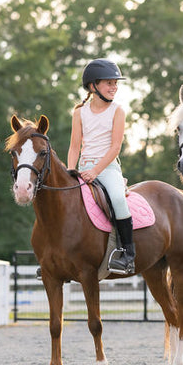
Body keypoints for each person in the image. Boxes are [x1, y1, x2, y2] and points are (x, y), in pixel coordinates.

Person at [68, 59, 135, 274]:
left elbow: (115, 147)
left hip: (107, 169)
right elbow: (74, 146)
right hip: (83, 168)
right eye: (109, 83)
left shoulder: (117, 111)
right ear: (93, 86)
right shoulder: (79, 112)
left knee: (117, 198)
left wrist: (96, 171)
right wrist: (71, 171)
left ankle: (127, 254)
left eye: (116, 83)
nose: (114, 87)